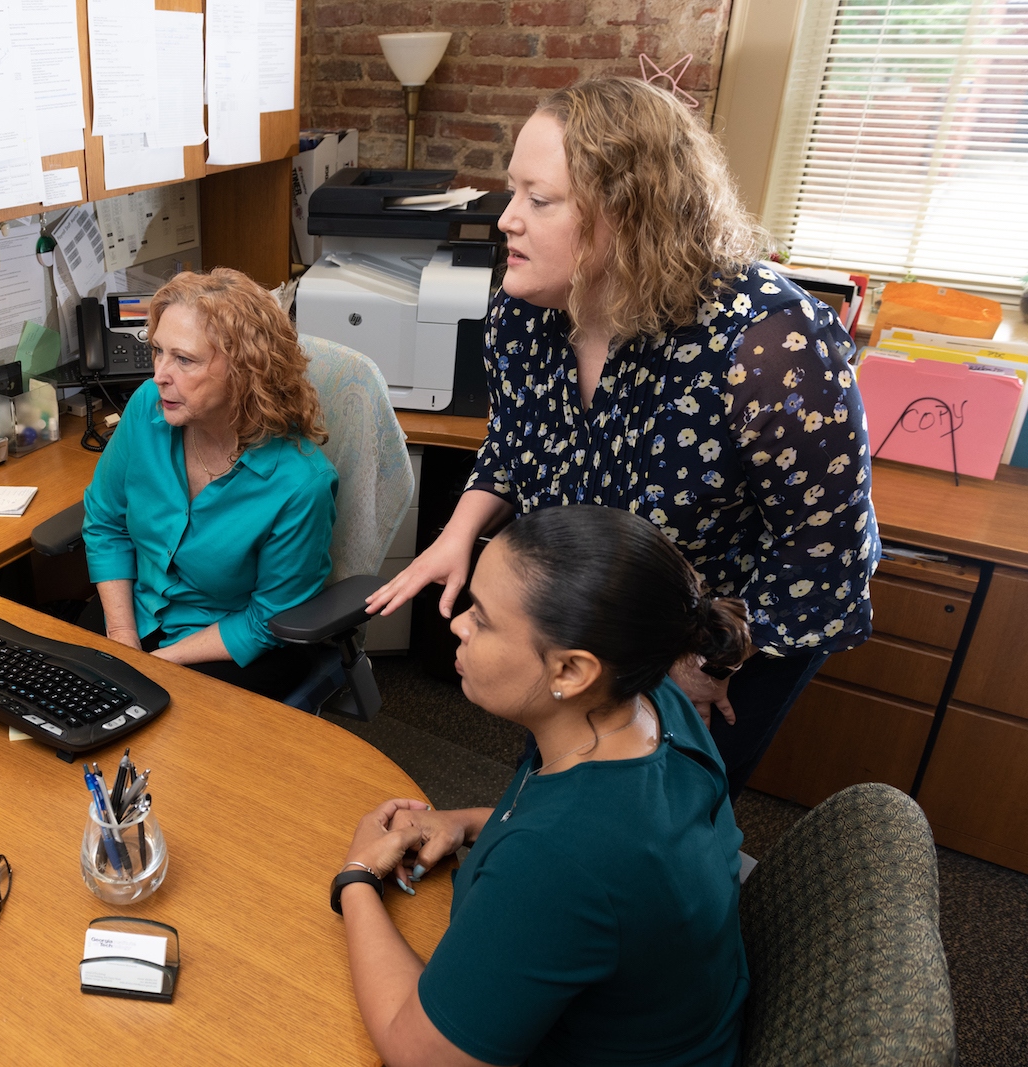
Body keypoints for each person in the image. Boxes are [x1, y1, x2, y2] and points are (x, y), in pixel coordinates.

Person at [368, 76, 879, 798]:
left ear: (631, 215)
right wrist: (457, 535)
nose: (507, 219)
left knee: (661, 805)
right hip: (595, 613)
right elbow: (515, 449)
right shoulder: (526, 314)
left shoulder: (771, 344)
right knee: (561, 775)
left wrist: (711, 661)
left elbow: (824, 559)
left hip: (735, 625)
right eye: (513, 192)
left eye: (538, 200)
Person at [335, 506, 751, 1067]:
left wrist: (357, 877)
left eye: (481, 617)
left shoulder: (557, 862)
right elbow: (611, 857)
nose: (457, 623)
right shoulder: (654, 704)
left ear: (571, 672)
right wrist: (465, 821)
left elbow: (424, 1055)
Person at [81, 268, 337, 697]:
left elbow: (268, 619)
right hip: (136, 616)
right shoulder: (148, 408)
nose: (160, 373)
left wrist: (156, 665)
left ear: (244, 370)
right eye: (158, 351)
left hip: (224, 645)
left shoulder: (300, 484)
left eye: (184, 360)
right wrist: (123, 637)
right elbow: (106, 523)